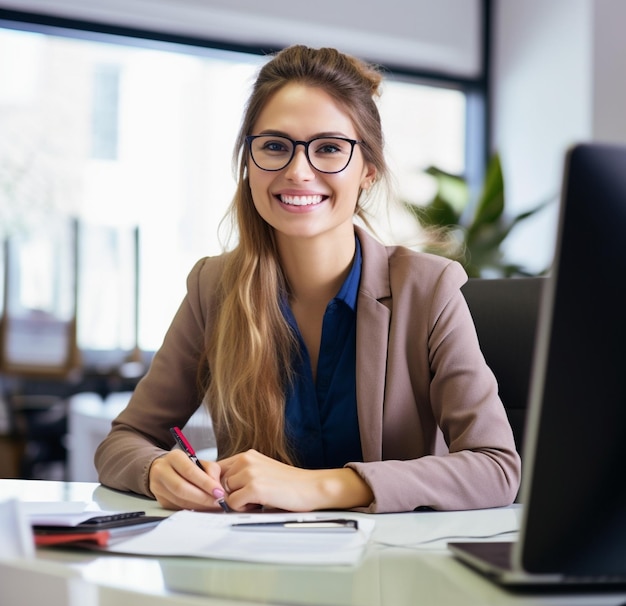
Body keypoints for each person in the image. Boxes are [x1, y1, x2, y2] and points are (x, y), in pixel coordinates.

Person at [95, 44, 521, 514]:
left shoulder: (428, 290)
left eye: (330, 148)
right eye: (275, 146)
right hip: (252, 572)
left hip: (390, 573)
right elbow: (123, 442)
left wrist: (316, 487)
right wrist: (157, 471)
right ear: (248, 165)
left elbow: (496, 468)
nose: (299, 171)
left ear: (369, 172)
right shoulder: (212, 287)